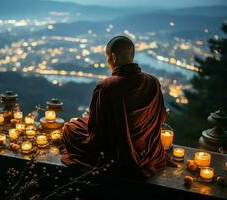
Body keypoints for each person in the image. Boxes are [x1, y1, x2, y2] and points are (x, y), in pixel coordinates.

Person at [61, 36, 167, 178]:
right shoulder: (153, 82)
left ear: (113, 57)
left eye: (108, 57)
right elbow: (160, 118)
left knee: (70, 128)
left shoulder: (107, 86)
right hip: (146, 147)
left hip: (116, 151)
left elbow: (96, 132)